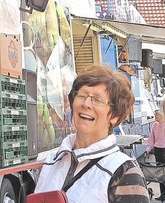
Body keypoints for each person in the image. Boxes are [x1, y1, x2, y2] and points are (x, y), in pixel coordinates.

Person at [32, 64, 149, 202]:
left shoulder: (123, 172)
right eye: (82, 95)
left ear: (114, 116)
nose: (86, 104)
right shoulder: (53, 161)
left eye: (98, 99)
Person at [146, 109, 165, 199]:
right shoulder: (155, 126)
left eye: (157, 115)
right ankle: (163, 194)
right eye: (155, 115)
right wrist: (148, 148)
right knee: (160, 173)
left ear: (162, 116)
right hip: (158, 150)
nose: (155, 117)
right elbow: (151, 138)